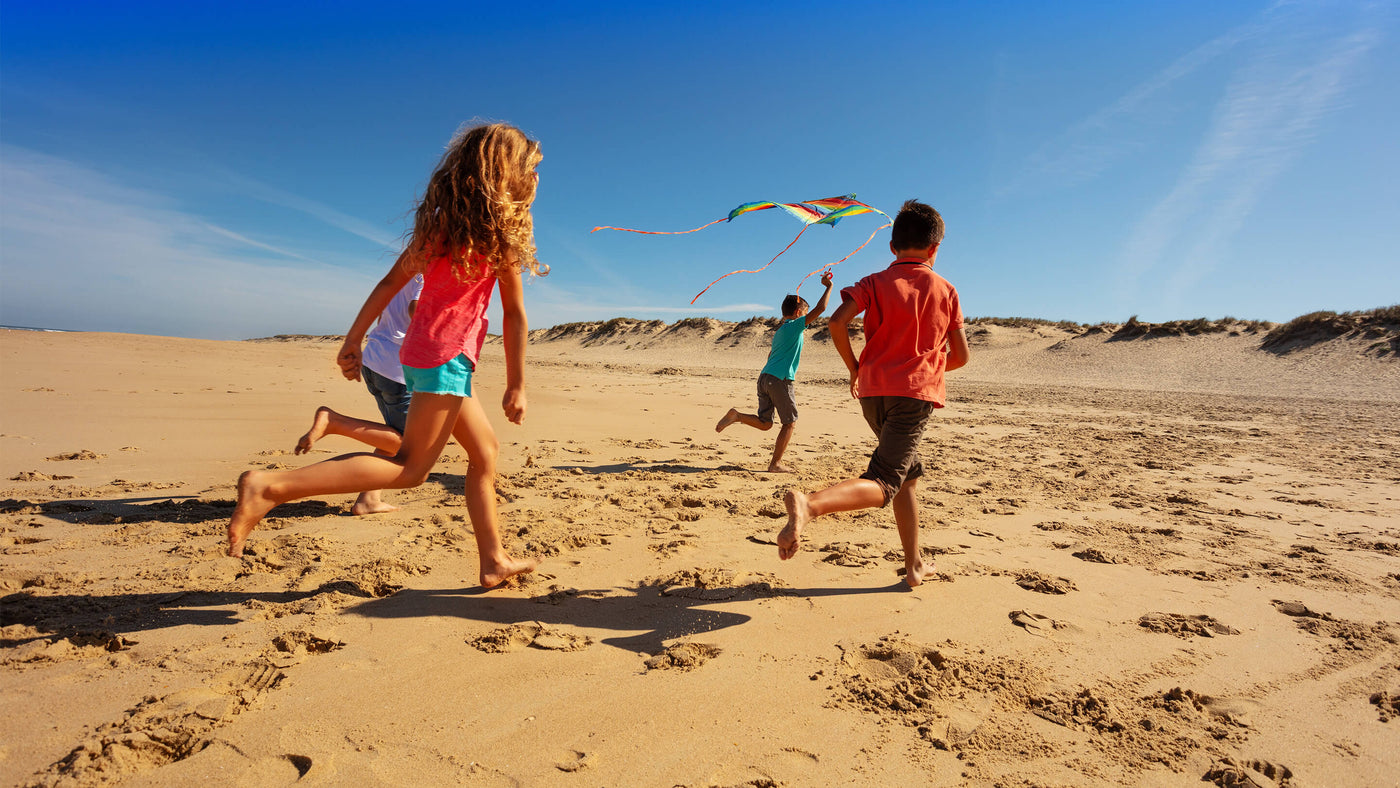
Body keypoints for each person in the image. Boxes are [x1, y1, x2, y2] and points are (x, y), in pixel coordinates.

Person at [227, 122, 541, 590]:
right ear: (508, 175)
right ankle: (270, 487)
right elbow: (514, 315)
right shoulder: (499, 240)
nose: (536, 180)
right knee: (411, 469)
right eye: (532, 170)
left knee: (484, 453)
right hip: (445, 359)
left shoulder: (439, 228)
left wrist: (352, 339)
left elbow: (388, 284)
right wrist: (516, 384)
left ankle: (493, 560)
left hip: (423, 354)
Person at [775, 200, 969, 588]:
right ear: (935, 249)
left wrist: (856, 367)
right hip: (911, 397)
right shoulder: (945, 289)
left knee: (906, 475)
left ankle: (914, 565)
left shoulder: (873, 282)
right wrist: (923, 369)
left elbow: (837, 321)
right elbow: (961, 356)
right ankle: (810, 505)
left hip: (872, 393)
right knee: (884, 481)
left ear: (893, 246)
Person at [294, 274, 423, 515]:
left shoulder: (405, 276)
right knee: (409, 446)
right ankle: (335, 422)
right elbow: (416, 309)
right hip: (398, 369)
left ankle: (369, 499)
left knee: (390, 434)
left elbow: (382, 310)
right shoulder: (426, 277)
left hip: (375, 360)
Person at [715, 270, 834, 472]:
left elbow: (770, 356)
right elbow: (821, 308)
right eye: (805, 313)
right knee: (789, 423)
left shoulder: (780, 331)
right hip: (780, 379)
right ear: (798, 313)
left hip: (765, 378)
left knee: (765, 423)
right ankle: (775, 464)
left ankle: (737, 416)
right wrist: (828, 287)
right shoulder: (795, 326)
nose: (806, 317)